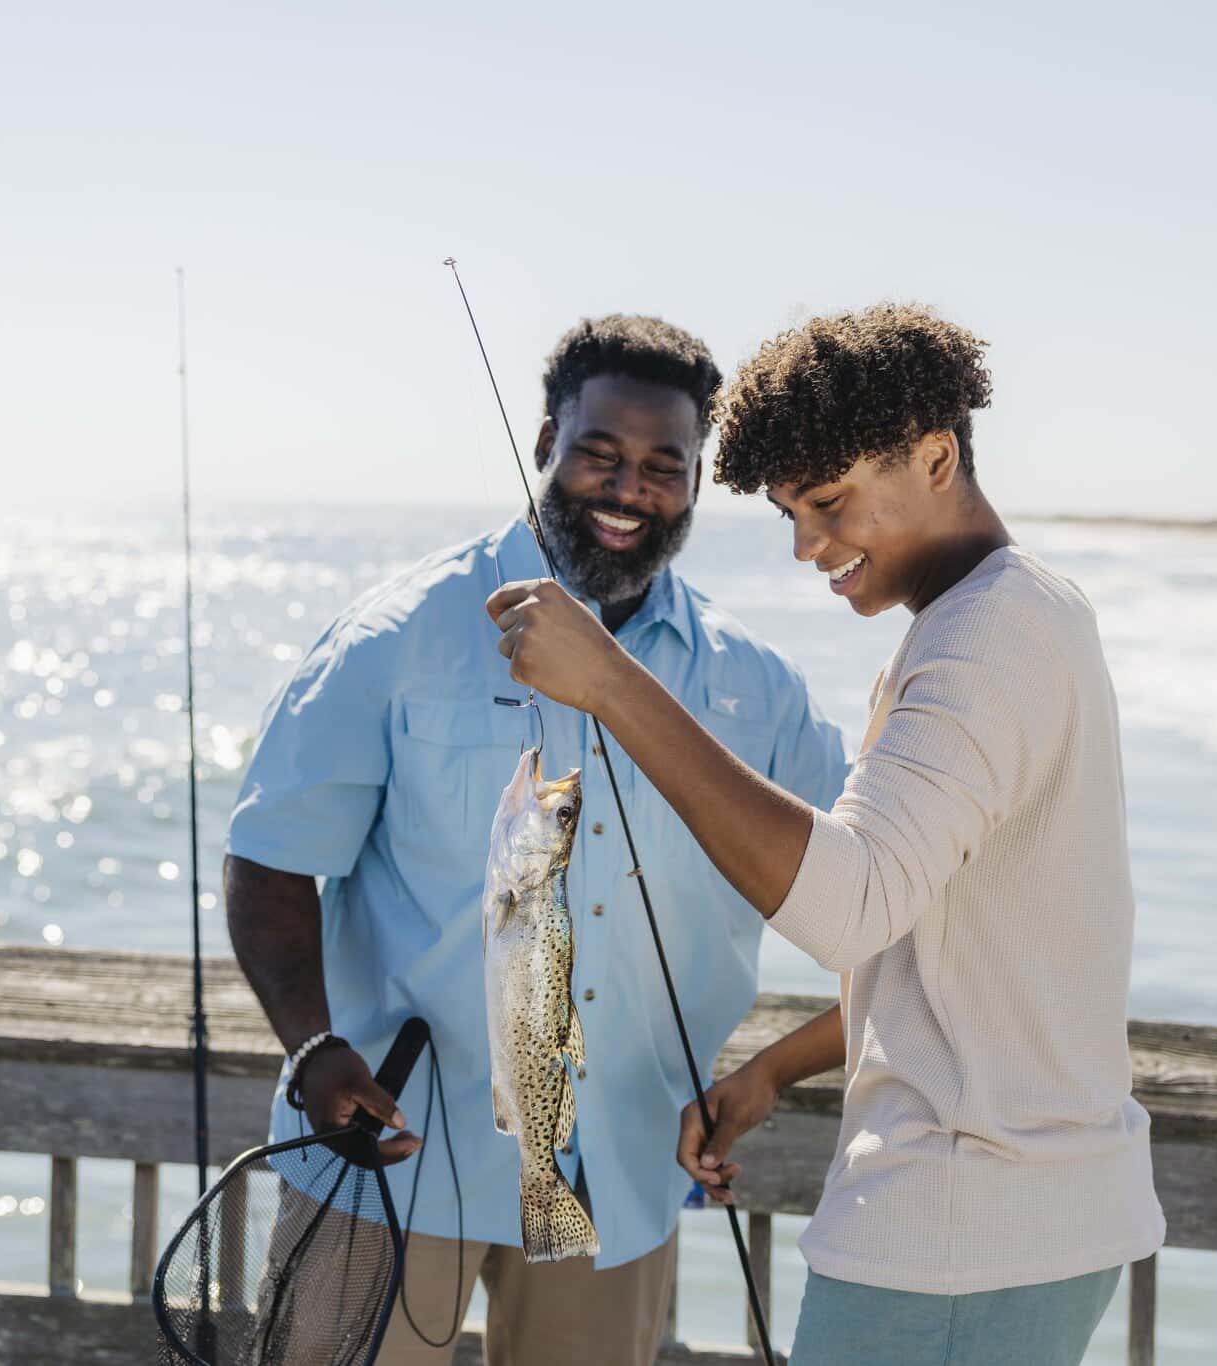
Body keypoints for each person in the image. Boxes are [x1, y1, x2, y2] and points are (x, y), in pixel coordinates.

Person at [486, 303, 1166, 1365]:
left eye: (831, 502)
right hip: (1013, 1224)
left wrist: (614, 685)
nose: (807, 545)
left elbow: (848, 906)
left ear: (935, 456)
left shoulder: (985, 639)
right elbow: (936, 945)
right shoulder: (1011, 614)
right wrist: (770, 1073)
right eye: (788, 513)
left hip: (957, 1237)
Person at [224, 314, 848, 1366]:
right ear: (546, 439)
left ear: (696, 481)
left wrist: (772, 1073)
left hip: (623, 1172)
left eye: (664, 465)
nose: (626, 488)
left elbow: (876, 879)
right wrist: (311, 1046)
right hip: (392, 1153)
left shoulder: (754, 684)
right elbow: (271, 856)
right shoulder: (396, 635)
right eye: (600, 453)